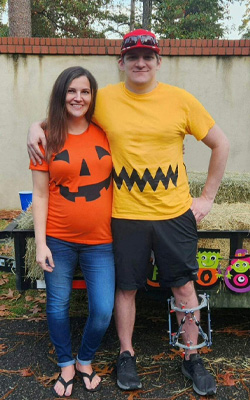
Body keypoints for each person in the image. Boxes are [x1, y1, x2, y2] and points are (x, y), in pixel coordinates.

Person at [27, 29, 230, 397]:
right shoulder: (104, 99)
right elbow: (68, 115)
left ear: (158, 62)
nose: (140, 62)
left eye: (147, 56)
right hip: (124, 215)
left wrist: (207, 198)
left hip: (173, 214)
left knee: (184, 286)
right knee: (126, 288)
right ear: (121, 63)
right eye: (132, 56)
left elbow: (221, 143)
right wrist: (34, 127)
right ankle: (126, 353)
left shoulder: (181, 101)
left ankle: (191, 355)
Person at [30, 66, 115, 397]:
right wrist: (40, 244)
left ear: (92, 97)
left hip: (101, 242)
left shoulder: (106, 133)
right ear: (61, 94)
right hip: (58, 239)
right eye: (71, 91)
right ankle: (66, 363)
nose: (78, 97)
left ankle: (85, 359)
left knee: (103, 309)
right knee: (57, 305)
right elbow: (40, 194)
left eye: (85, 91)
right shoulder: (46, 137)